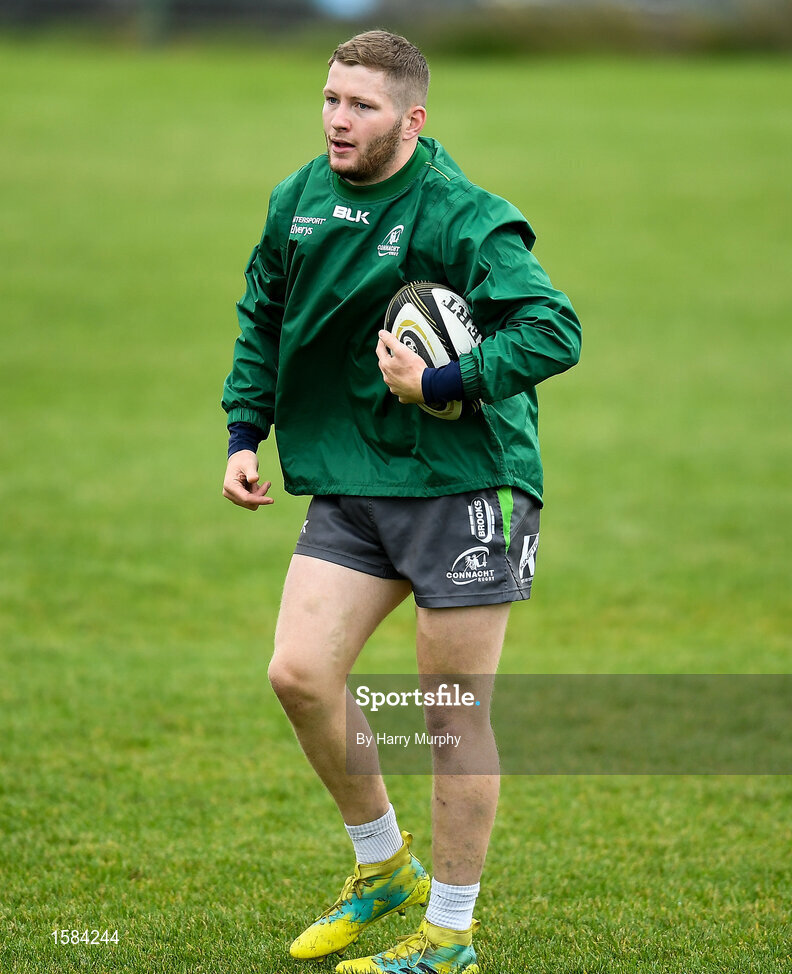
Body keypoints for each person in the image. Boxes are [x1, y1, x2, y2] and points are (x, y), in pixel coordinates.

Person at [221, 29, 580, 973]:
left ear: (412, 119)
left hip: (465, 483)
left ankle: (450, 936)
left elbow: (555, 327)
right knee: (299, 672)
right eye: (331, 98)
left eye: (362, 105)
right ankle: (383, 869)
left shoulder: (462, 214)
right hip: (354, 476)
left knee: (451, 710)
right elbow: (264, 309)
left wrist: (450, 381)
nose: (339, 118)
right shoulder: (298, 199)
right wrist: (242, 431)